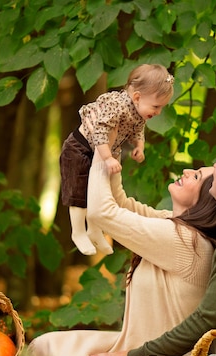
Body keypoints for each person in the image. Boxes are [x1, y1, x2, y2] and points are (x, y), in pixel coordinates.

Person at [18, 149, 216, 356]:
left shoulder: (186, 241)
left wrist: (102, 144)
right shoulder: (172, 224)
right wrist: (109, 148)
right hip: (134, 347)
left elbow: (102, 212)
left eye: (198, 176)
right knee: (43, 345)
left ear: (206, 202)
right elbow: (120, 203)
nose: (188, 171)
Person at [90, 137, 216, 356]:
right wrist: (111, 145)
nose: (215, 165)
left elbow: (207, 320)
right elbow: (123, 206)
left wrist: (135, 354)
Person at [59, 64, 175, 255]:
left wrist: (139, 146)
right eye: (156, 106)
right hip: (80, 148)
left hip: (106, 153)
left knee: (102, 194)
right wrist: (107, 158)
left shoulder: (139, 112)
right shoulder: (116, 105)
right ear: (137, 97)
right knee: (79, 194)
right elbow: (101, 132)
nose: (159, 112)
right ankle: (78, 232)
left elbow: (138, 130)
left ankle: (95, 231)